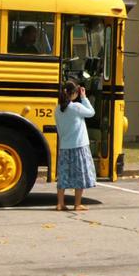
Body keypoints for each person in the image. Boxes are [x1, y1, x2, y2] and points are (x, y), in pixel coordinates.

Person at [55, 81, 96, 211]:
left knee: (63, 175)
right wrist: (84, 97)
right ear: (73, 93)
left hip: (65, 147)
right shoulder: (76, 107)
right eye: (76, 92)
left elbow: (59, 130)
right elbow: (91, 112)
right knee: (80, 175)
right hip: (79, 146)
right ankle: (77, 204)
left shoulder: (57, 109)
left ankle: (60, 203)